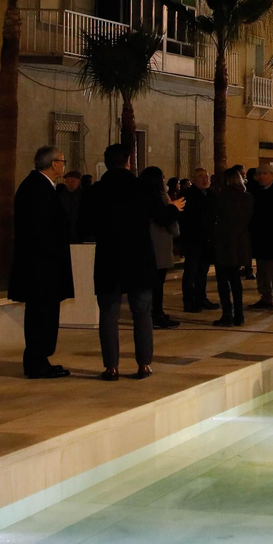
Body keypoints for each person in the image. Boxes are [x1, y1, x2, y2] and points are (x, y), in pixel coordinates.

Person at [81, 145, 161, 379]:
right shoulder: (142, 187)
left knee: (108, 314)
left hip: (109, 258)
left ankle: (111, 367)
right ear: (128, 161)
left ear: (106, 163)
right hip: (139, 259)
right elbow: (161, 216)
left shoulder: (95, 191)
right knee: (142, 314)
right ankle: (144, 364)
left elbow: (84, 226)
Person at [10, 146, 74, 378]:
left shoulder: (41, 187)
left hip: (44, 266)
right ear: (53, 164)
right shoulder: (36, 188)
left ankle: (41, 358)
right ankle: (37, 361)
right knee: (40, 315)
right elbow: (41, 229)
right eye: (61, 160)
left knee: (44, 315)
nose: (63, 164)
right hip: (41, 267)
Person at [141, 166, 185, 329]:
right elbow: (166, 219)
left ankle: (153, 312)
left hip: (147, 243)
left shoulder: (140, 195)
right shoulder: (158, 196)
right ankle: (156, 313)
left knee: (151, 284)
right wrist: (174, 208)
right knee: (157, 283)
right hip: (159, 243)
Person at [212, 167, 254, 326]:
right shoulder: (247, 198)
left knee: (223, 280)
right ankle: (239, 315)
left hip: (223, 242)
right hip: (240, 241)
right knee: (235, 280)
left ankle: (227, 314)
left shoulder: (221, 197)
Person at [249, 166, 273, 312]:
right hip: (260, 237)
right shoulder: (255, 192)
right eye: (259, 174)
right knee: (262, 270)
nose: (261, 176)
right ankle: (265, 297)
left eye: (264, 173)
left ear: (272, 175)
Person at [179, 168, 216, 312]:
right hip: (193, 240)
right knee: (191, 272)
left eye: (206, 176)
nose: (205, 179)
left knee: (203, 271)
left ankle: (201, 298)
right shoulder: (188, 195)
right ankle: (188, 301)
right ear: (193, 180)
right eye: (201, 176)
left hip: (207, 239)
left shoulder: (211, 195)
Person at [57, 170, 84, 243]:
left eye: (72, 181)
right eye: (67, 182)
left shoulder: (84, 196)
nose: (70, 184)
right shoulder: (61, 196)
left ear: (78, 182)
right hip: (65, 233)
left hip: (81, 233)